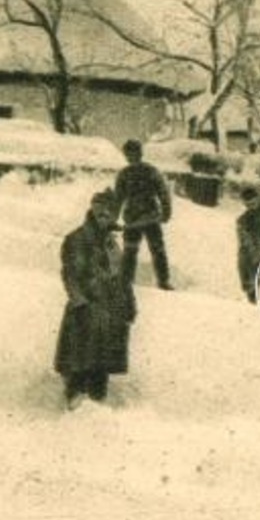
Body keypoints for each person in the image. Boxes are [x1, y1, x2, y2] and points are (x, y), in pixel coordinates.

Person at [54, 190, 137, 409]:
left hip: (111, 310)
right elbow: (70, 273)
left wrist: (129, 303)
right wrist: (79, 300)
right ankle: (75, 401)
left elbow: (122, 276)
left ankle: (98, 403)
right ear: (93, 210)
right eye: (100, 210)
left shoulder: (111, 242)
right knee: (80, 361)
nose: (105, 215)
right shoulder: (77, 239)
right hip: (87, 310)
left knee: (102, 364)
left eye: (110, 212)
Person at [113, 139, 174, 290]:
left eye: (133, 153)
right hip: (133, 219)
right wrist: (112, 218)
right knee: (130, 251)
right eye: (128, 154)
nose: (131, 156)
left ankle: (163, 281)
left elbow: (163, 192)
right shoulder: (124, 175)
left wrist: (166, 211)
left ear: (140, 154)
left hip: (150, 218)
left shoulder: (151, 171)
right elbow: (118, 198)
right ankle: (126, 282)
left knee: (157, 250)